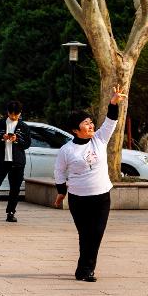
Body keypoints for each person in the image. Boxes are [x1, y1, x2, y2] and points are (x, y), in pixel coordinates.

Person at [53, 86, 126, 283]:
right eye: (86, 123)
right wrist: (61, 192)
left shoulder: (100, 140)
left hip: (101, 196)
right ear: (75, 130)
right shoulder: (67, 150)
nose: (91, 125)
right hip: (79, 199)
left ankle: (85, 269)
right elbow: (59, 172)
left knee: (97, 233)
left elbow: (111, 121)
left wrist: (113, 103)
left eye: (91, 122)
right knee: (86, 234)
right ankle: (84, 269)